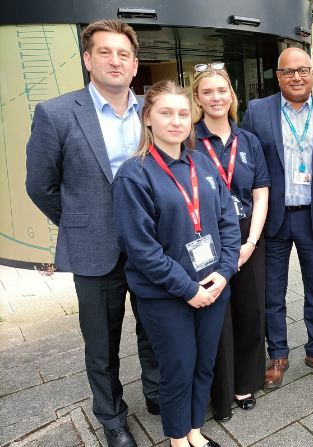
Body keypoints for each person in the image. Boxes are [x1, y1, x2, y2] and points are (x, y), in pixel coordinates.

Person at [25, 20, 159, 447]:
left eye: (123, 54)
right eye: (105, 52)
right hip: (93, 249)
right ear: (87, 59)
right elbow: (40, 184)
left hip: (151, 246)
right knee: (101, 344)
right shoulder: (57, 113)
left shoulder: (151, 110)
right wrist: (79, 220)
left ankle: (156, 394)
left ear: (135, 65)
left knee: (155, 329)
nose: (114, 61)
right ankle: (113, 417)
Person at [111, 80, 240, 447]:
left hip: (214, 286)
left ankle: (195, 430)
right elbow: (141, 248)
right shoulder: (133, 175)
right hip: (167, 296)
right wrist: (188, 290)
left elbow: (228, 222)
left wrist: (224, 271)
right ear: (147, 117)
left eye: (183, 113)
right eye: (165, 113)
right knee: (178, 369)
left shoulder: (203, 163)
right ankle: (176, 438)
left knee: (204, 364)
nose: (176, 121)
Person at [241, 48, 313, 388]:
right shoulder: (256, 111)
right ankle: (278, 354)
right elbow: (245, 163)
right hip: (273, 219)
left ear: (312, 73)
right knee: (272, 292)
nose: (296, 77)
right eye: (288, 72)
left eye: (303, 70)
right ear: (278, 77)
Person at [191, 64, 271, 420]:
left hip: (246, 235)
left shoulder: (249, 140)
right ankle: (219, 393)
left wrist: (251, 241)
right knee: (215, 316)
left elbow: (261, 191)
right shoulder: (188, 140)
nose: (215, 97)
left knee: (250, 312)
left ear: (232, 96)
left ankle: (245, 382)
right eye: (207, 92)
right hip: (205, 239)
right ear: (197, 98)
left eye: (221, 90)